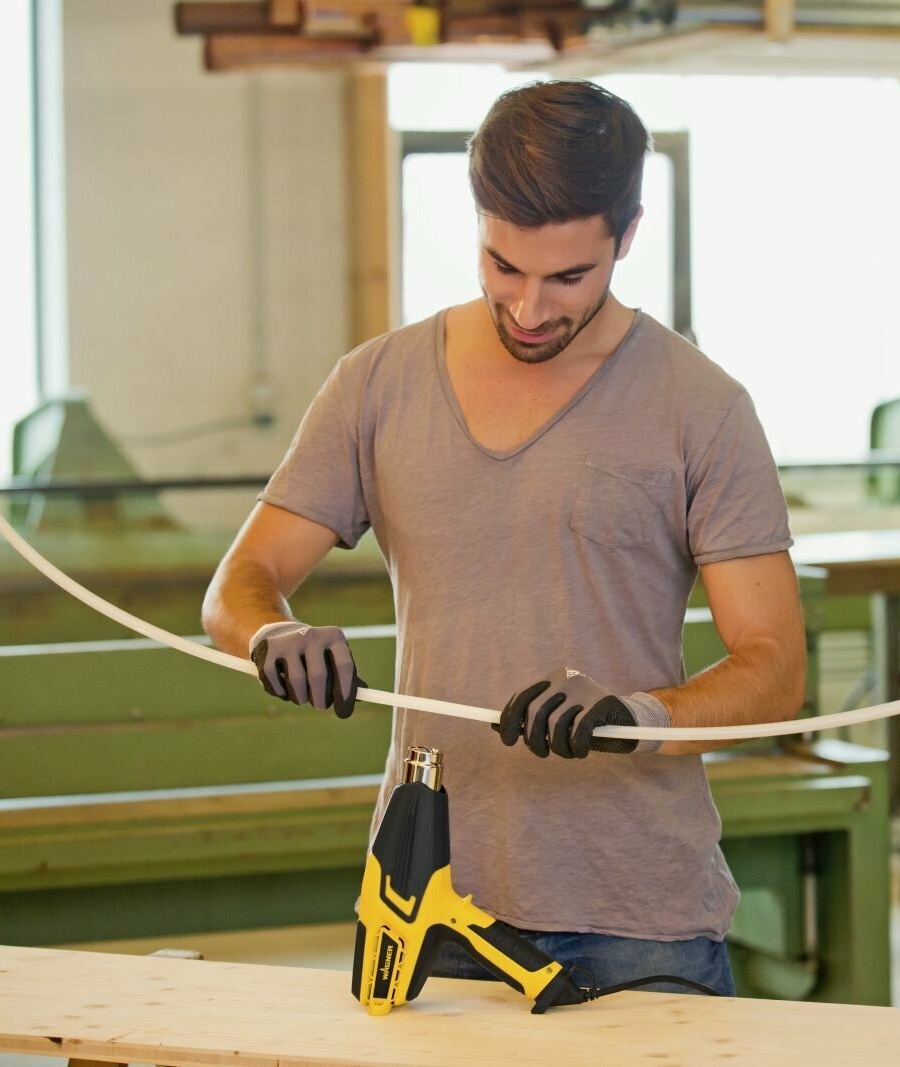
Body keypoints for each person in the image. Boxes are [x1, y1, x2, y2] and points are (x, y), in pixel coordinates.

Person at [202, 79, 805, 997]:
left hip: (640, 925)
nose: (527, 308)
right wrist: (269, 630)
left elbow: (776, 667)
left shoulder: (702, 406)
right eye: (502, 266)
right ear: (478, 222)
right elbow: (239, 580)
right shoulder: (377, 384)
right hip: (427, 904)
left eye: (568, 278)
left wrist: (640, 717)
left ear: (627, 236)